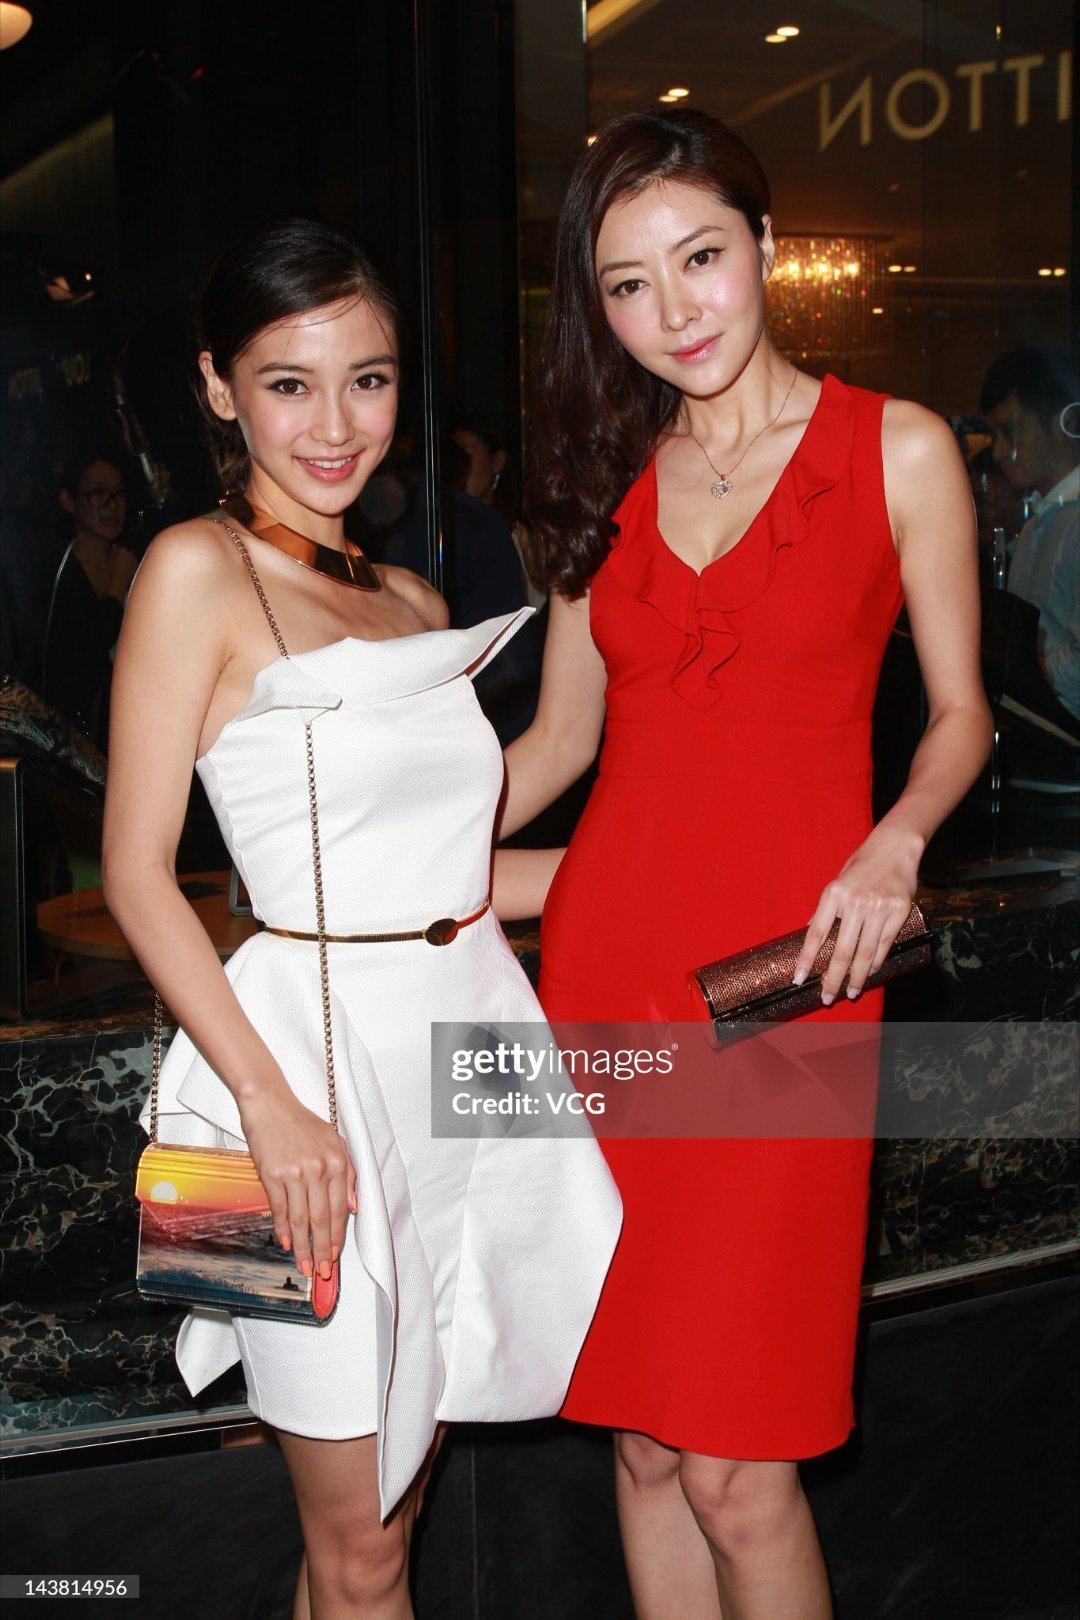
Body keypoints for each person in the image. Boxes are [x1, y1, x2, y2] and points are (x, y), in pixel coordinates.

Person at [499, 109, 992, 1620]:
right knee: (646, 1444)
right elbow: (556, 748)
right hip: (607, 980)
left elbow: (963, 716)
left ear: (768, 247)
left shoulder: (897, 447)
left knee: (738, 1465)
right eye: (628, 285)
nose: (675, 309)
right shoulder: (605, 484)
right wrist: (359, 842)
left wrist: (896, 843)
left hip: (788, 985)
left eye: (700, 257)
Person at [102, 218, 620, 1620]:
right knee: (362, 1545)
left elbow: (459, 860)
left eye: (370, 380)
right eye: (290, 383)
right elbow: (138, 876)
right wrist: (271, 1109)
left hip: (459, 1056)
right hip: (269, 1090)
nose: (336, 425)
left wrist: (584, 551)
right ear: (218, 387)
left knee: (400, 1508)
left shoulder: (411, 599)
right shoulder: (193, 569)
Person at [980, 347, 1079, 719]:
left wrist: (1024, 674)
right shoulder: (1038, 523)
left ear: (1064, 424)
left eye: (1010, 432)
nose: (999, 451)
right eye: (995, 434)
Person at [42, 451, 137, 749]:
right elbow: (82, 655)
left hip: (125, 725)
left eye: (118, 494)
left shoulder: (132, 560)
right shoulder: (57, 571)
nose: (113, 505)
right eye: (98, 493)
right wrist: (115, 590)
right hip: (70, 737)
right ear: (69, 501)